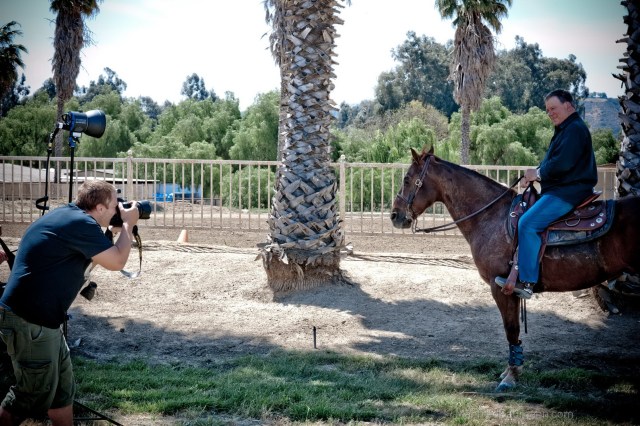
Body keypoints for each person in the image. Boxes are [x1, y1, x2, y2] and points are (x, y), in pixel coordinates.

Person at [0, 180, 139, 426]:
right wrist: (129, 224)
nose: (119, 208)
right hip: (29, 321)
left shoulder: (69, 216)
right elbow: (117, 262)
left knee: (61, 395)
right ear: (98, 208)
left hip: (43, 321)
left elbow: (97, 253)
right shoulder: (80, 225)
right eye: (115, 203)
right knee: (30, 395)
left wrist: (115, 230)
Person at [495, 89, 598, 299]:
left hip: (568, 192)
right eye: (547, 110)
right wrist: (533, 175)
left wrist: (538, 173)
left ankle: (526, 282)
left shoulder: (574, 130)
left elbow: (563, 164)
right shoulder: (565, 129)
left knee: (527, 223)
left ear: (568, 105)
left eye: (553, 108)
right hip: (563, 189)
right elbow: (552, 162)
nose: (550, 113)